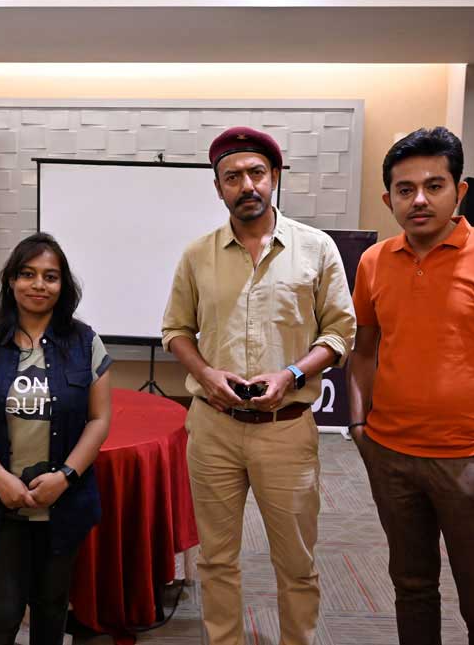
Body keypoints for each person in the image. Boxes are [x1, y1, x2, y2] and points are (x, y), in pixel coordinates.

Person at [347, 127, 474, 645]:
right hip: (391, 457)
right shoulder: (374, 261)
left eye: (433, 186)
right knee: (412, 590)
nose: (418, 199)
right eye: (405, 189)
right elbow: (364, 351)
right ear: (389, 199)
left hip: (471, 463)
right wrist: (359, 427)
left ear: (458, 191)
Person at [161, 126, 356, 645]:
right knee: (216, 559)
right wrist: (206, 374)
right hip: (213, 428)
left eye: (256, 173)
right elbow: (175, 330)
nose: (246, 185)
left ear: (274, 177)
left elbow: (341, 333)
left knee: (296, 562)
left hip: (285, 429)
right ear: (218, 187)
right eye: (232, 177)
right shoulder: (197, 255)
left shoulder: (316, 248)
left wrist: (291, 374)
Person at [0, 232, 112, 645]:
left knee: (51, 611)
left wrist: (66, 476)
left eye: (50, 276)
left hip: (63, 505)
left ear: (63, 285)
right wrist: (0, 479)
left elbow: (99, 420)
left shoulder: (86, 343)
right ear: (11, 281)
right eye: (27, 274)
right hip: (0, 505)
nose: (38, 284)